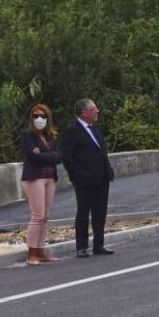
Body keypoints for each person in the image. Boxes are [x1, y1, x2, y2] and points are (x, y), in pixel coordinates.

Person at [59, 97, 115, 257]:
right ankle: (81, 246)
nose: (97, 111)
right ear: (84, 113)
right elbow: (67, 157)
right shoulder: (72, 130)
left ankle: (99, 245)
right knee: (83, 212)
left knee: (100, 212)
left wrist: (108, 169)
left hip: (101, 177)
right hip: (84, 179)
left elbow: (101, 151)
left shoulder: (97, 128)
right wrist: (76, 175)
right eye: (93, 109)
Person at [18, 103, 63, 266]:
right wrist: (50, 155)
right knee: (37, 215)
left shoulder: (51, 136)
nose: (39, 119)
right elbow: (32, 155)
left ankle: (41, 250)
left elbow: (59, 157)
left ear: (48, 118)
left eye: (42, 116)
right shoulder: (27, 135)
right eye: (35, 116)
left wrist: (43, 153)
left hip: (50, 178)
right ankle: (31, 253)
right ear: (31, 118)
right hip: (35, 178)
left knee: (45, 216)